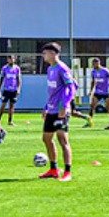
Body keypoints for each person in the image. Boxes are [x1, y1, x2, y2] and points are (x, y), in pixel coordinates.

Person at [39, 42, 76, 181]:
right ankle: (53, 169)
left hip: (61, 110)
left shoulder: (62, 68)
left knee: (62, 139)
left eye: (45, 53)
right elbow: (53, 91)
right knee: (46, 138)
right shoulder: (50, 69)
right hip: (51, 109)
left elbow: (71, 87)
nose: (43, 56)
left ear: (53, 53)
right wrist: (46, 107)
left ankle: (67, 172)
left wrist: (64, 105)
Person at [86, 57, 109, 129]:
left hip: (106, 92)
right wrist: (91, 90)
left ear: (98, 63)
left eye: (94, 63)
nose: (93, 65)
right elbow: (93, 81)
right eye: (93, 64)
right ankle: (89, 122)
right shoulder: (93, 71)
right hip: (97, 92)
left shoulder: (105, 70)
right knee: (92, 106)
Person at [0, 55, 22, 126]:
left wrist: (18, 89)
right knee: (3, 104)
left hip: (14, 90)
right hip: (6, 89)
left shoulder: (17, 68)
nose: (11, 60)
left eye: (12, 59)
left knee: (12, 105)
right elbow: (2, 78)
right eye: (10, 59)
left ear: (14, 59)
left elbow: (19, 80)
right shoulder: (4, 68)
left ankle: (10, 121)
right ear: (7, 60)